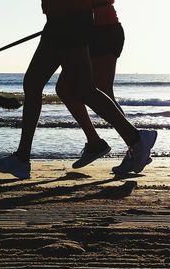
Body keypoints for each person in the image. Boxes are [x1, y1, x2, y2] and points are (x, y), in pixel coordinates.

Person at [0, 0, 157, 179]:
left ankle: (135, 139)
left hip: (70, 18)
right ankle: (22, 158)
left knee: (81, 89)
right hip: (59, 18)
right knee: (35, 83)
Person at [56, 0, 125, 169]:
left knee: (67, 88)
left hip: (99, 30)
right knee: (101, 92)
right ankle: (134, 144)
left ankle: (134, 143)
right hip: (101, 29)